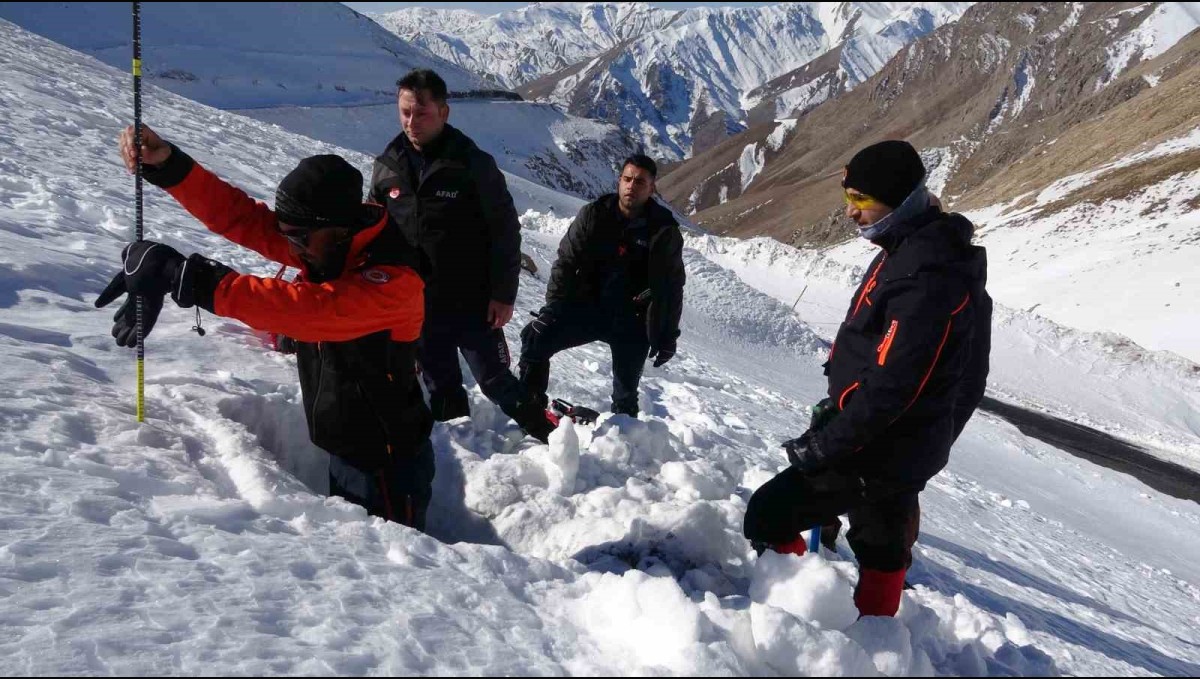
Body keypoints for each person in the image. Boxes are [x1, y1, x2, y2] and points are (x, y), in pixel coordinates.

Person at [99, 125, 436, 530]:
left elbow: (308, 311)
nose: (289, 247)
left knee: (396, 564)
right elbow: (245, 220)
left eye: (298, 237)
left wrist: (187, 276)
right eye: (286, 234)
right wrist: (171, 167)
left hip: (388, 463)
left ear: (339, 228)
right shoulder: (328, 243)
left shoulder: (394, 279)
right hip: (347, 442)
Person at [742, 140, 992, 617]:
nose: (850, 212)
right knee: (882, 545)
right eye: (849, 197)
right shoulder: (916, 249)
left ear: (898, 198)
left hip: (876, 445)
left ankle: (792, 621)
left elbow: (894, 385)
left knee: (769, 513)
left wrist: (826, 444)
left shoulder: (924, 276)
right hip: (902, 443)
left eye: (861, 199)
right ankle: (876, 641)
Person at [369, 69, 555, 442]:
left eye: (420, 113)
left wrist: (503, 294)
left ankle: (550, 436)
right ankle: (465, 458)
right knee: (440, 384)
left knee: (495, 379)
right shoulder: (388, 166)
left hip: (472, 299)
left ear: (444, 113)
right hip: (417, 303)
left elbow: (505, 231)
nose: (411, 122)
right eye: (404, 112)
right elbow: (375, 227)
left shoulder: (473, 165)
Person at [517, 154, 686, 417]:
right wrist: (553, 308)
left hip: (633, 320)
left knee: (626, 392)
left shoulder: (664, 230)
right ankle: (529, 410)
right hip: (586, 308)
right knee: (535, 338)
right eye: (627, 179)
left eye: (640, 182)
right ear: (619, 181)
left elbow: (672, 286)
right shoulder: (594, 214)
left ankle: (620, 438)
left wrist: (668, 336)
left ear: (652, 188)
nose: (632, 186)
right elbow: (565, 261)